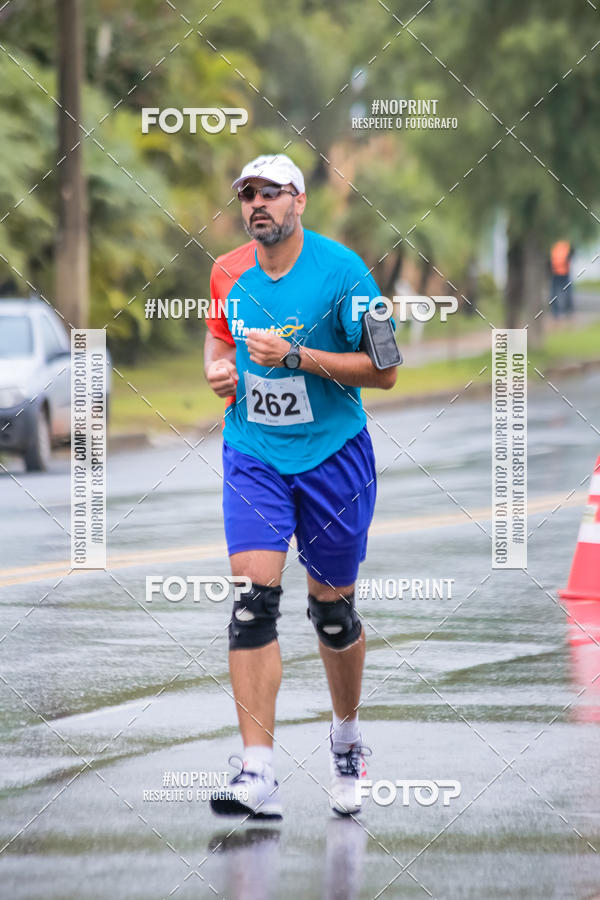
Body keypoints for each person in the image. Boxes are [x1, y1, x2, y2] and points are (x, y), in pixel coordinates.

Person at [204, 154, 400, 820]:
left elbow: (386, 370)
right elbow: (219, 342)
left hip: (333, 456)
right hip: (254, 452)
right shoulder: (227, 272)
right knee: (251, 602)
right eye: (247, 194)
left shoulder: (345, 273)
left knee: (333, 615)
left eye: (271, 192)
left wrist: (296, 357)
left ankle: (346, 740)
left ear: (300, 201)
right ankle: (257, 770)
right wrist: (219, 371)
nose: (257, 203)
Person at [550, 240, 575, 318]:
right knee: (566, 292)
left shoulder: (553, 243)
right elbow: (571, 254)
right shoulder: (566, 243)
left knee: (555, 293)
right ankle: (567, 311)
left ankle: (557, 312)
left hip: (557, 271)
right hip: (562, 272)